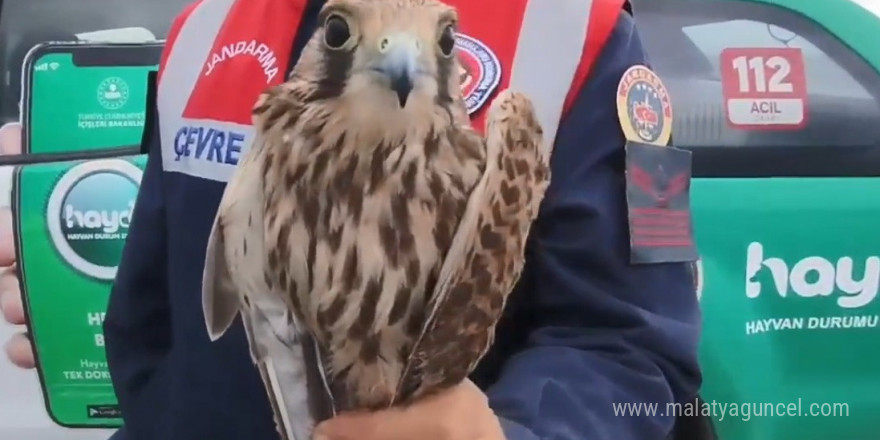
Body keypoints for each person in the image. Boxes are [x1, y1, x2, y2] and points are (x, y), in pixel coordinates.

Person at [2, 0, 704, 439]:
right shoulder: (202, 27)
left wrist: (518, 432)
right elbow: (154, 322)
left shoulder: (594, 34)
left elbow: (643, 351)